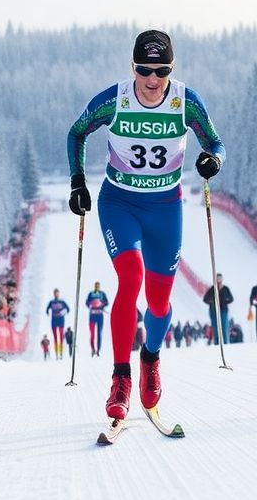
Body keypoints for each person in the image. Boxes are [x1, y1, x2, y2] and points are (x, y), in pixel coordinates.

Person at [66, 29, 225, 421]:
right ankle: (120, 377)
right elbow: (77, 133)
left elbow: (216, 143)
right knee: (131, 276)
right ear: (132, 67)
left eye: (162, 70)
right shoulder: (114, 100)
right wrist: (77, 182)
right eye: (144, 69)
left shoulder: (186, 102)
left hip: (165, 208)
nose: (153, 80)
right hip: (120, 202)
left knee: (158, 301)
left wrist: (213, 161)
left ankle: (150, 358)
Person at [203, 274, 233, 346]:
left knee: (224, 327)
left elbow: (231, 298)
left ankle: (225, 343)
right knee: (215, 328)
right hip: (213, 311)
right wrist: (211, 302)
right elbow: (205, 299)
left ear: (222, 279)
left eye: (220, 278)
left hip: (223, 310)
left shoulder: (225, 289)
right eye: (217, 279)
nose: (219, 280)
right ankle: (216, 343)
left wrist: (225, 302)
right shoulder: (212, 289)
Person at [85, 281, 109, 358]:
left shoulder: (102, 294)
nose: (97, 287)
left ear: (99, 286)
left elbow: (106, 302)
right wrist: (90, 305)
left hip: (100, 316)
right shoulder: (91, 294)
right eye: (96, 285)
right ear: (94, 286)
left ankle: (98, 350)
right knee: (92, 333)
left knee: (99, 333)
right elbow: (87, 302)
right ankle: (93, 349)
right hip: (92, 315)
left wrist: (101, 304)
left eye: (98, 285)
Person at [45, 288, 69, 359]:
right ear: (53, 294)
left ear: (59, 293)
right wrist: (48, 312)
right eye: (55, 293)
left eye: (57, 293)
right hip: (54, 321)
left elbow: (68, 309)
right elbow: (47, 309)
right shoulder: (51, 302)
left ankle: (61, 352)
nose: (56, 294)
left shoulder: (62, 301)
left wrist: (63, 312)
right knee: (55, 338)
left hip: (61, 321)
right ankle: (56, 353)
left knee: (61, 337)